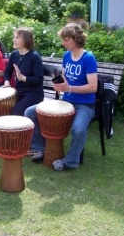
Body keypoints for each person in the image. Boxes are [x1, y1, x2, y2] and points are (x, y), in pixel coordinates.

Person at [24, 23, 98, 171]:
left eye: (66, 39)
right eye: (63, 39)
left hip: (85, 105)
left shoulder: (88, 58)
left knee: (78, 129)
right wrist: (59, 83)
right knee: (30, 112)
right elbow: (64, 78)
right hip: (66, 101)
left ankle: (70, 161)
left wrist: (69, 87)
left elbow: (93, 87)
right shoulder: (66, 56)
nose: (63, 43)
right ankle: (41, 148)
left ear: (76, 39)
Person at [2, 27, 44, 116]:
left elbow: (39, 79)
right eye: (14, 37)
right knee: (4, 108)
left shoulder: (34, 57)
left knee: (16, 112)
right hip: (19, 91)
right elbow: (7, 72)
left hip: (34, 93)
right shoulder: (14, 54)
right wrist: (7, 83)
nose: (14, 40)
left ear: (26, 40)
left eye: (17, 37)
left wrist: (23, 78)